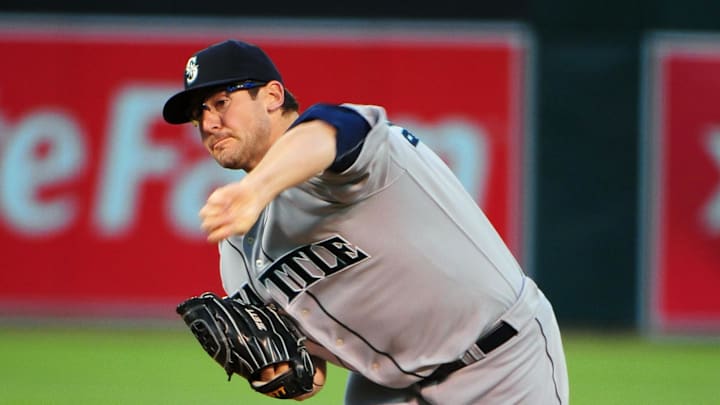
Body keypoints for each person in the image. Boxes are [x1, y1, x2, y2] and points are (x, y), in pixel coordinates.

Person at [162, 39, 569, 404]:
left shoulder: (346, 153)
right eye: (199, 113)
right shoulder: (237, 248)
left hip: (503, 362)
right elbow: (307, 368)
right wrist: (287, 373)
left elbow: (331, 132)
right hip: (386, 389)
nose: (209, 123)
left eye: (220, 102)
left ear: (271, 95)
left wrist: (255, 190)